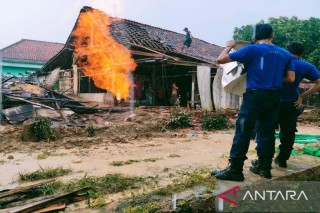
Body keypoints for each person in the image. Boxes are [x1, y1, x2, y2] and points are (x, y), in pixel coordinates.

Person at [211, 23, 295, 181]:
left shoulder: (252, 49)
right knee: (267, 132)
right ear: (273, 35)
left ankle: (235, 170)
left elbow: (220, 60)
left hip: (255, 96)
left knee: (243, 131)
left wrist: (228, 46)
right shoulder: (285, 54)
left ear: (254, 36)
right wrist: (273, 77)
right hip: (275, 97)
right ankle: (264, 168)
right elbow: (290, 78)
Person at [264, 42, 320, 167]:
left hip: (271, 102)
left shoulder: (277, 61)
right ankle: (282, 159)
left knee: (267, 131)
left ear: (286, 50)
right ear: (302, 53)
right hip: (291, 103)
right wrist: (302, 96)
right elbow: (319, 83)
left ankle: (264, 161)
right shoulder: (306, 66)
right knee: (288, 132)